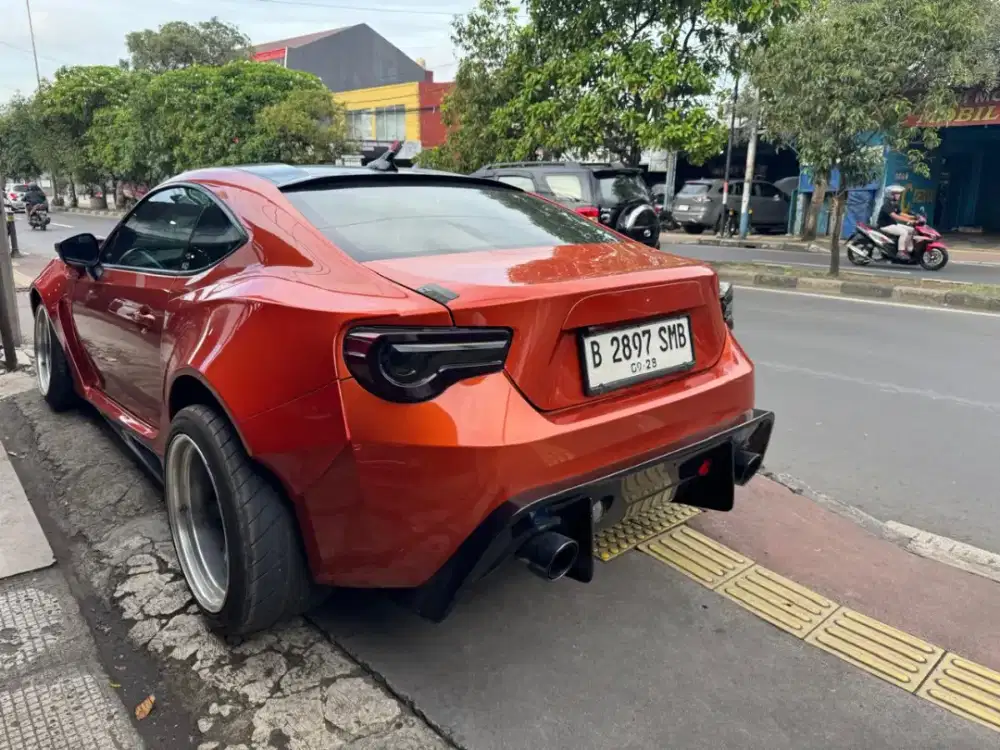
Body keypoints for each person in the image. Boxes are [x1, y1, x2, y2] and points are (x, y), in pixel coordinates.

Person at [876, 185, 918, 259]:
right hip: (885, 226)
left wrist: (914, 217)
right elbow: (895, 216)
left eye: (899, 194)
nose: (899, 196)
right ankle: (900, 252)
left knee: (912, 230)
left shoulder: (894, 204)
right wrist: (909, 221)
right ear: (891, 195)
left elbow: (901, 213)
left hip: (893, 224)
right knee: (904, 232)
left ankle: (908, 249)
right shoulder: (887, 205)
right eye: (897, 194)